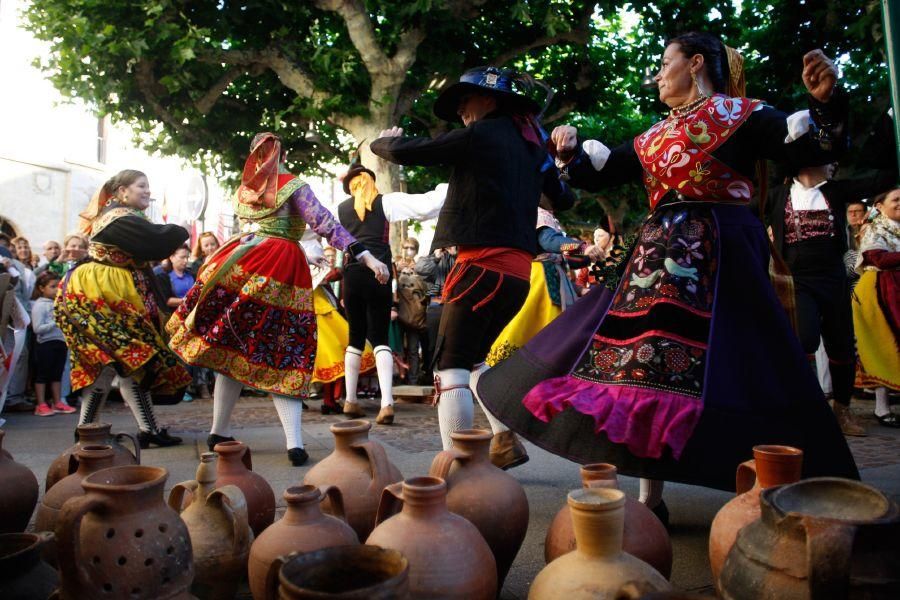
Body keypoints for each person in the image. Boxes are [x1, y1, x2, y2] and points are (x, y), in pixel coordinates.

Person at [476, 34, 859, 515]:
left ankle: (790, 484)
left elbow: (810, 151)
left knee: (749, 361)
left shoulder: (747, 116)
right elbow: (601, 172)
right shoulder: (655, 135)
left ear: (696, 63)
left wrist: (825, 103)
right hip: (654, 263)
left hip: (722, 259)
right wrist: (569, 150)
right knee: (641, 362)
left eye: (664, 62)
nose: (657, 74)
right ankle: (648, 501)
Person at [371, 65, 575, 466]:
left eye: (467, 101)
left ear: (490, 100)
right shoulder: (534, 147)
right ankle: (502, 440)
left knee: (451, 369)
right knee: (476, 362)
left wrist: (383, 144)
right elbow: (564, 199)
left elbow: (414, 151)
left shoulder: (482, 134)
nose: (462, 110)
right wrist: (561, 161)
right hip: (517, 275)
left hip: (480, 269)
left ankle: (458, 471)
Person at [167, 133, 390, 466]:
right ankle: (294, 443)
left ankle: (219, 431)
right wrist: (367, 257)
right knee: (282, 349)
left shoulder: (245, 190)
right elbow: (325, 223)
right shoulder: (293, 185)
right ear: (280, 153)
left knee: (232, 345)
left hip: (238, 260)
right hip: (280, 265)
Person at [56, 169, 191, 447]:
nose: (147, 191)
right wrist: (182, 230)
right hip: (99, 293)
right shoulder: (117, 219)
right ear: (121, 192)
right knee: (111, 362)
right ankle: (87, 430)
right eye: (141, 185)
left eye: (148, 186)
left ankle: (146, 430)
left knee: (131, 362)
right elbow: (160, 240)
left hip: (115, 291)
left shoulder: (125, 218)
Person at [765, 158, 896, 436]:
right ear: (807, 164)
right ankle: (800, 404)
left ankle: (842, 410)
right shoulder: (777, 195)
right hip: (797, 279)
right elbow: (744, 211)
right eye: (826, 161)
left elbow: (879, 180)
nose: (833, 164)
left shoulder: (835, 191)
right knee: (806, 337)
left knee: (842, 346)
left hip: (833, 278)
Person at [336, 162, 445, 425]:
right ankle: (386, 404)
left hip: (351, 275)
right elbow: (426, 204)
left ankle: (351, 401)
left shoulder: (339, 209)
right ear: (371, 182)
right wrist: (448, 188)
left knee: (355, 338)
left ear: (351, 186)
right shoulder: (387, 202)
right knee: (380, 338)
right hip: (379, 273)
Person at [487, 206, 603, 367]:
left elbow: (558, 253)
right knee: (533, 325)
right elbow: (550, 242)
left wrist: (587, 257)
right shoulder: (539, 213)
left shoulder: (529, 213)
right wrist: (582, 248)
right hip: (541, 280)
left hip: (542, 275)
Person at [853, 188, 900, 427]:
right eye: (896, 199)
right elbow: (878, 258)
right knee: (884, 345)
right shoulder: (874, 228)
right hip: (880, 291)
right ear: (880, 206)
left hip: (895, 288)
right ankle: (882, 408)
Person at [30, 271, 75, 416]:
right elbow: (37, 328)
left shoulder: (59, 303)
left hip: (60, 342)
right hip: (46, 344)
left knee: (57, 374)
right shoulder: (40, 305)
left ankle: (57, 402)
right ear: (42, 288)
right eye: (53, 286)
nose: (57, 289)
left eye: (59, 286)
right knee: (43, 374)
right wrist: (56, 321)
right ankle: (41, 404)